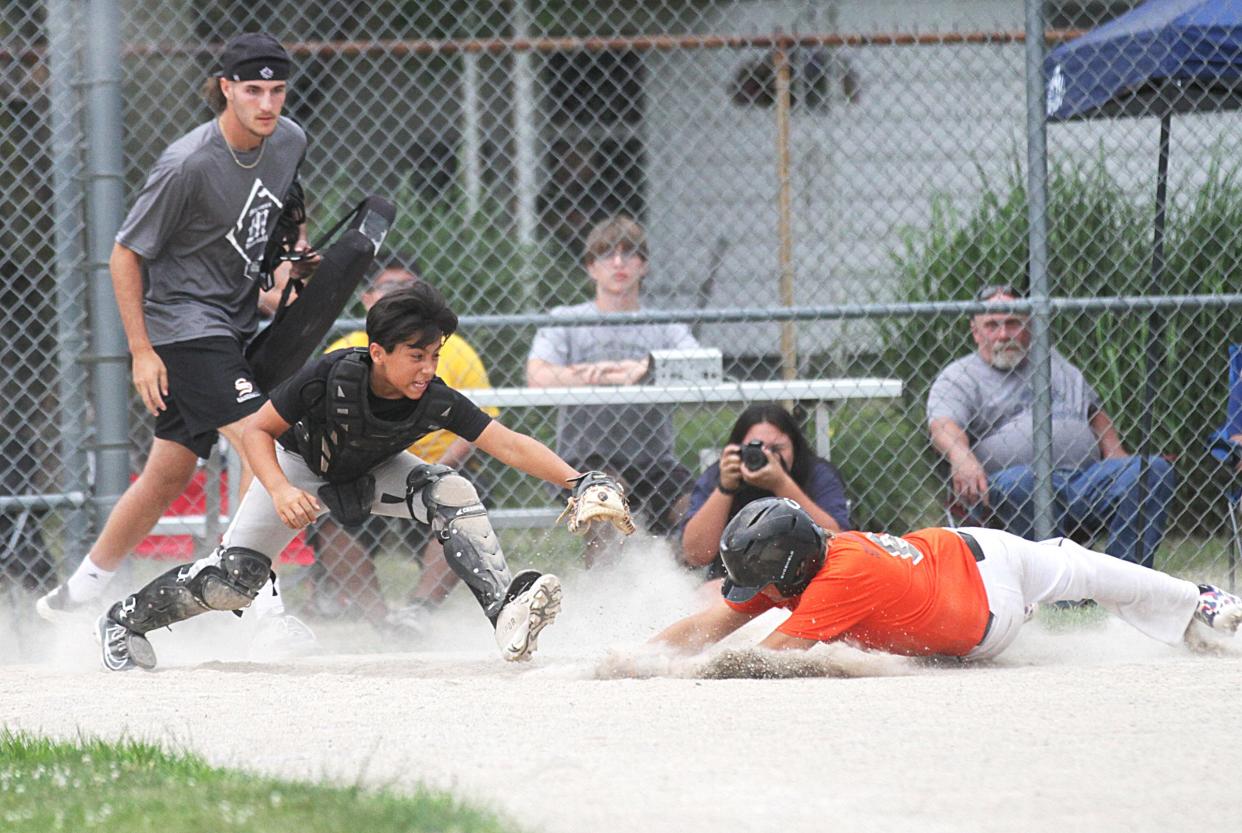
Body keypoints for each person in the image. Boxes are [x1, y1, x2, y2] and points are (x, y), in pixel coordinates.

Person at [94, 282, 631, 671]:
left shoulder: (433, 397)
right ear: (378, 352)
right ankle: (123, 620)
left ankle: (504, 613)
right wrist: (280, 489)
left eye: (435, 355)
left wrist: (578, 481)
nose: (428, 367)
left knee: (451, 490)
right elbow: (257, 430)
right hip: (300, 468)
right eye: (416, 355)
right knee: (234, 583)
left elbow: (505, 442)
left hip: (374, 471)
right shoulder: (332, 374)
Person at [36, 33, 318, 653]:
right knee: (258, 433)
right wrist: (142, 350)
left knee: (168, 471)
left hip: (237, 317)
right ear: (226, 88)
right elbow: (124, 255)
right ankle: (263, 603)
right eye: (252, 91)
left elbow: (272, 222)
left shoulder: (288, 140)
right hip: (183, 324)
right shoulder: (187, 162)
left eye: (276, 90)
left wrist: (286, 275)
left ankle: (77, 593)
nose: (267, 104)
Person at [652, 497, 1242, 660]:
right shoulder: (817, 554)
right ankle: (1195, 601)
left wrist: (687, 674)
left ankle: (1194, 603)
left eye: (762, 586)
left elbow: (767, 658)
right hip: (972, 547)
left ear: (788, 574)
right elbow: (716, 619)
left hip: (992, 614)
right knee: (1073, 562)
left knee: (1077, 570)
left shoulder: (840, 578)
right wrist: (639, 656)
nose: (756, 598)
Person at [927, 284, 1176, 568]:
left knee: (1151, 470)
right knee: (1026, 483)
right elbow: (943, 425)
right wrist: (962, 457)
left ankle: (1124, 580)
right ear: (975, 332)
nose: (1003, 334)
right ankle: (1058, 590)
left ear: (1028, 325)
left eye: (1012, 323)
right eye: (992, 325)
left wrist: (1116, 452)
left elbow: (1094, 412)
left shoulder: (1051, 362)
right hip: (1014, 486)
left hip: (1082, 481)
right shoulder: (959, 376)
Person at [309, 263, 499, 634]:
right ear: (367, 300)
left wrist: (435, 471)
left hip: (434, 467)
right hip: (361, 470)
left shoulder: (452, 349)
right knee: (327, 511)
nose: (397, 293)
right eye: (387, 286)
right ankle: (380, 621)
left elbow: (482, 428)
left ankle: (419, 612)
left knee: (460, 500)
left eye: (407, 286)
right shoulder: (344, 352)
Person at [526, 215, 697, 561]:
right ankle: (605, 600)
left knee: (695, 507)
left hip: (653, 459)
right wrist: (609, 375)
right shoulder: (567, 319)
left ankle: (682, 592)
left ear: (644, 266)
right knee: (604, 497)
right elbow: (538, 375)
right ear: (591, 267)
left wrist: (644, 367)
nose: (618, 263)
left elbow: (695, 365)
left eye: (629, 254)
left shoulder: (664, 325)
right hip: (583, 460)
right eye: (607, 255)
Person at [679, 404, 851, 581]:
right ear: (737, 449)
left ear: (795, 447)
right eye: (755, 449)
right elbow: (696, 555)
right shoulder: (720, 475)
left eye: (776, 449)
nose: (766, 456)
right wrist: (725, 488)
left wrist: (782, 484)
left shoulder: (818, 474)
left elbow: (840, 542)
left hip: (806, 579)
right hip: (734, 581)